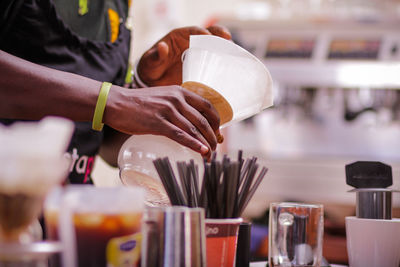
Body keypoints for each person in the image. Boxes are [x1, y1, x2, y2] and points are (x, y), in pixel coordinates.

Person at [0, 0, 231, 184]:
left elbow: (109, 148)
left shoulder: (118, 6)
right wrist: (114, 101)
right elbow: (108, 103)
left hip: (68, 215)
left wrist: (145, 86)